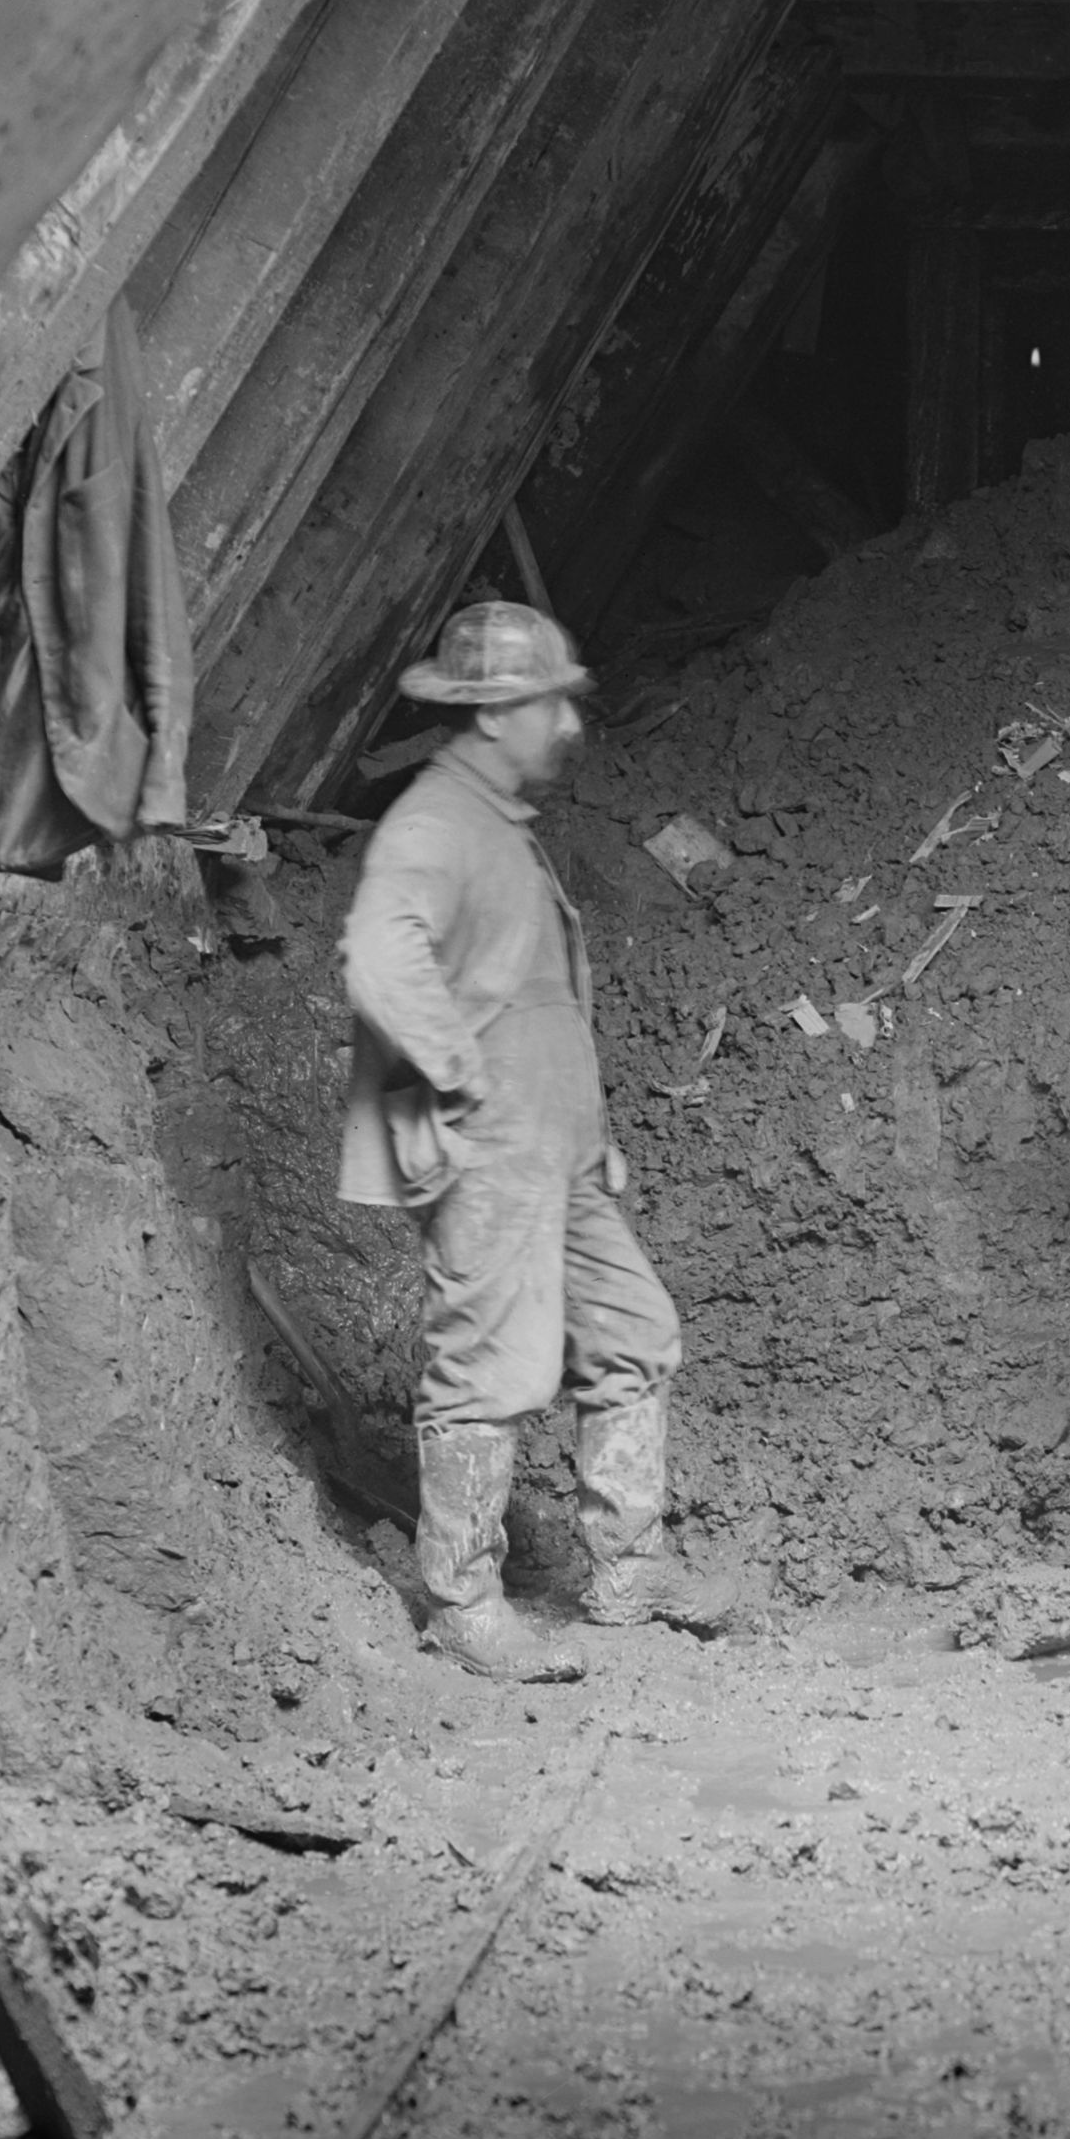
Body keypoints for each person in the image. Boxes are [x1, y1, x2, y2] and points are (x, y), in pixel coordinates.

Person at [336, 600, 744, 1674]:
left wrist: (586, 1134)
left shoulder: (502, 834)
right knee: (485, 1371)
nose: (568, 726)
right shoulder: (434, 823)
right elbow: (381, 958)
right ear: (497, 712)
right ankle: (464, 1603)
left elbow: (541, 1004)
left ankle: (629, 1565)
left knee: (635, 1333)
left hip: (559, 1162)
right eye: (552, 704)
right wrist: (466, 1080)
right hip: (492, 1159)